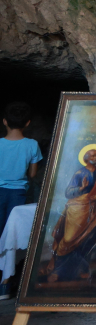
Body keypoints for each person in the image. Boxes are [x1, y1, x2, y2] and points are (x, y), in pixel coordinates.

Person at [46, 146, 96, 282]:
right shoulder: (79, 173)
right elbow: (68, 192)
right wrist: (81, 188)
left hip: (94, 212)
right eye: (93, 156)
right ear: (86, 158)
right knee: (68, 240)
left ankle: (79, 270)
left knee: (86, 240)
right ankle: (58, 271)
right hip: (77, 210)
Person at [0, 103, 41, 297]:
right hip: (18, 193)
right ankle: (5, 285)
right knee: (11, 236)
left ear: (4, 122)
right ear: (27, 123)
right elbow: (32, 174)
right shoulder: (32, 145)